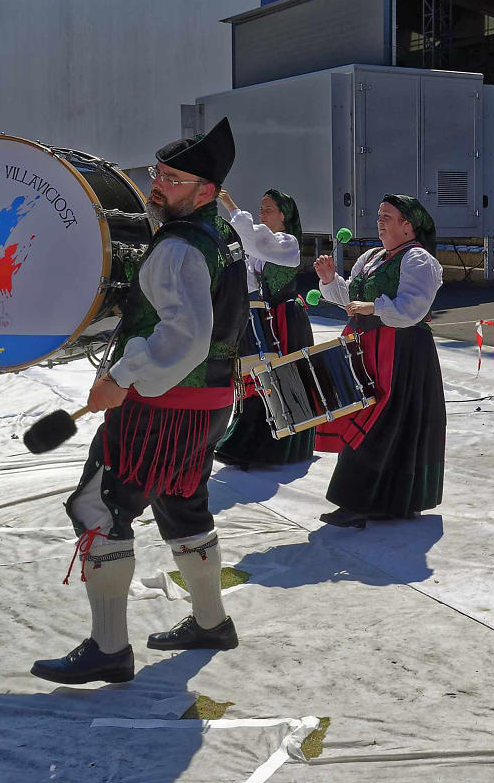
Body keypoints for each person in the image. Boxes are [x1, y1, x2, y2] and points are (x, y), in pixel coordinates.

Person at [32, 118, 248, 685]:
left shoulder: (177, 249)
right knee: (183, 501)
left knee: (101, 507)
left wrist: (122, 377)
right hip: (206, 405)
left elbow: (183, 337)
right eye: (158, 173)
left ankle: (108, 649)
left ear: (206, 191)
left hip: (159, 407)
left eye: (174, 178)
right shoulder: (219, 233)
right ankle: (210, 620)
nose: (158, 185)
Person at [311, 194, 446, 529]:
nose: (380, 221)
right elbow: (353, 300)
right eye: (379, 215)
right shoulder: (373, 257)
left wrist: (377, 308)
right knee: (370, 417)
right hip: (369, 344)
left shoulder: (418, 260)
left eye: (388, 216)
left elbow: (412, 309)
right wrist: (331, 281)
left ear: (407, 225)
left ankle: (362, 502)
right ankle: (376, 501)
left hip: (401, 350)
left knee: (383, 421)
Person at [217, 189, 313, 469]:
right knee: (258, 381)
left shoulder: (287, 242)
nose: (263, 213)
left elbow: (256, 239)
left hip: (285, 320)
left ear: (285, 216)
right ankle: (251, 443)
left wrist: (231, 205)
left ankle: (280, 447)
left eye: (269, 209)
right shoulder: (257, 246)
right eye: (261, 208)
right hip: (262, 316)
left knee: (283, 381)